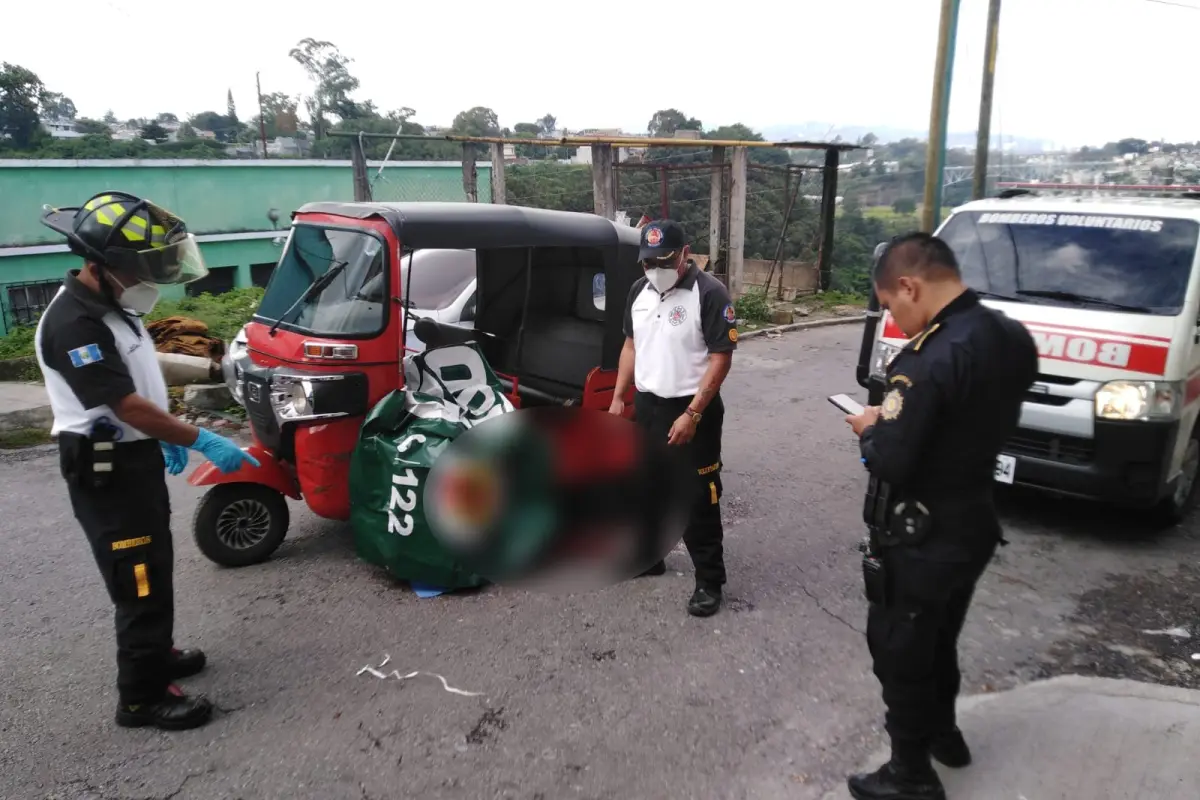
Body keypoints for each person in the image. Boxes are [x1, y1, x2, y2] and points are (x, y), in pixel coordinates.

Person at [35, 191, 259, 731]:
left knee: (153, 564)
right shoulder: (75, 326)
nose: (148, 280)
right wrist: (197, 436)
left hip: (130, 453)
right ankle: (140, 698)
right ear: (98, 267)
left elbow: (138, 381)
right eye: (137, 269)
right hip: (105, 466)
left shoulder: (112, 307)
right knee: (137, 577)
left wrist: (157, 434)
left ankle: (156, 654)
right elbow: (126, 404)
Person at [842, 232, 1037, 800]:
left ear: (910, 284)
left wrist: (871, 428)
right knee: (941, 637)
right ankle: (944, 735)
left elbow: (894, 460)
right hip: (973, 519)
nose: (894, 319)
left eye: (891, 305)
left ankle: (909, 773)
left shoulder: (929, 358)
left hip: (921, 532)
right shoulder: (1008, 335)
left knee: (900, 648)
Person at [609, 219, 737, 617]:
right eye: (647, 263)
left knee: (697, 498)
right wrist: (618, 399)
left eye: (664, 261)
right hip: (648, 406)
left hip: (692, 411)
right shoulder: (639, 291)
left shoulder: (710, 293)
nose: (655, 270)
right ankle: (652, 557)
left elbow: (721, 357)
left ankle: (709, 581)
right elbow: (630, 346)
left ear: (685, 254)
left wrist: (694, 413)